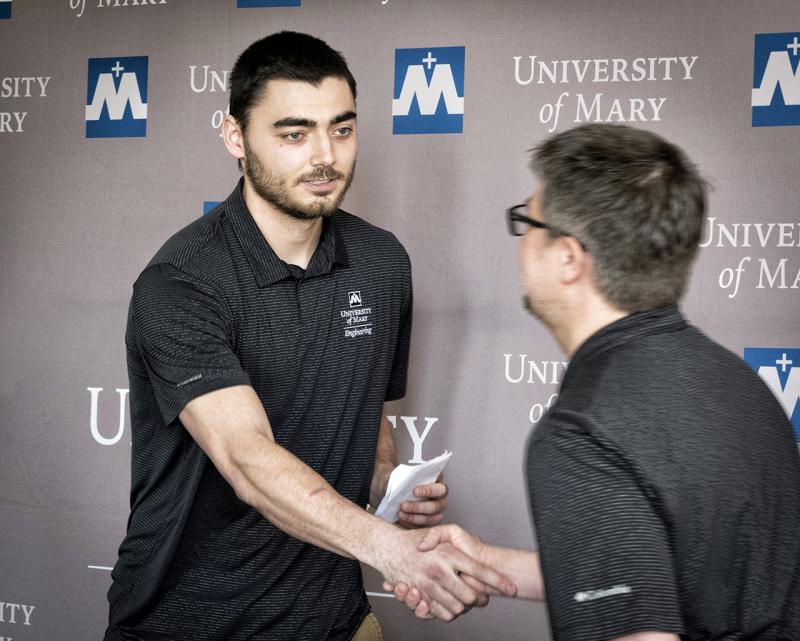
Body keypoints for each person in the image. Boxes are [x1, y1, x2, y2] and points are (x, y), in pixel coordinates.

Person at [104, 31, 515, 641]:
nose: (325, 155)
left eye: (342, 129)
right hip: (185, 622)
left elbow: (364, 406)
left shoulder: (381, 261)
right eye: (294, 134)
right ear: (235, 137)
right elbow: (247, 458)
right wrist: (392, 550)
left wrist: (386, 484)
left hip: (335, 620)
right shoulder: (181, 282)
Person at [389, 124, 800, 641]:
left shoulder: (582, 435)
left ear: (567, 258)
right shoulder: (740, 385)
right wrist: (489, 563)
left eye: (528, 223)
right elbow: (674, 579)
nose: (520, 247)